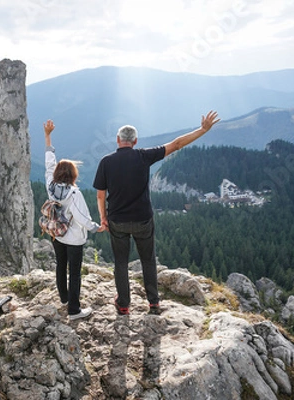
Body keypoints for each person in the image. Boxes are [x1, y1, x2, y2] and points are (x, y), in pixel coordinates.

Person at [93, 111, 220, 315]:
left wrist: (103, 218)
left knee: (121, 262)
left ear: (117, 140)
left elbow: (101, 195)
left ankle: (124, 304)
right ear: (135, 141)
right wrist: (203, 130)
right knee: (148, 260)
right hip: (143, 218)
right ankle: (153, 303)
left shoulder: (106, 162)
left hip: (118, 220)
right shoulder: (144, 156)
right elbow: (177, 144)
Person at [44, 119, 106, 321]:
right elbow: (81, 217)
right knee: (75, 273)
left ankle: (64, 299)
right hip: (73, 239)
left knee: (61, 266)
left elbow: (49, 163)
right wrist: (96, 227)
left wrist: (48, 136)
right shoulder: (73, 193)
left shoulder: (50, 185)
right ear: (72, 175)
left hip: (56, 234)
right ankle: (73, 310)